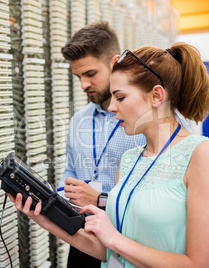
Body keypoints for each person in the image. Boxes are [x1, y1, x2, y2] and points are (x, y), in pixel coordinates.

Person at [9, 42, 209, 267]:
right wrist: (45, 219)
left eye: (121, 97)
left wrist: (114, 239)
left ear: (156, 96)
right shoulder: (129, 160)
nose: (112, 107)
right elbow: (109, 252)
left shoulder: (204, 156)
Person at [59, 21, 146, 267]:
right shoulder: (79, 120)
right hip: (82, 237)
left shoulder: (146, 121)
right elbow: (71, 169)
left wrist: (101, 198)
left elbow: (158, 197)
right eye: (78, 76)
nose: (83, 84)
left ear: (114, 62)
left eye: (90, 74)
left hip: (130, 241)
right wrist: (59, 194)